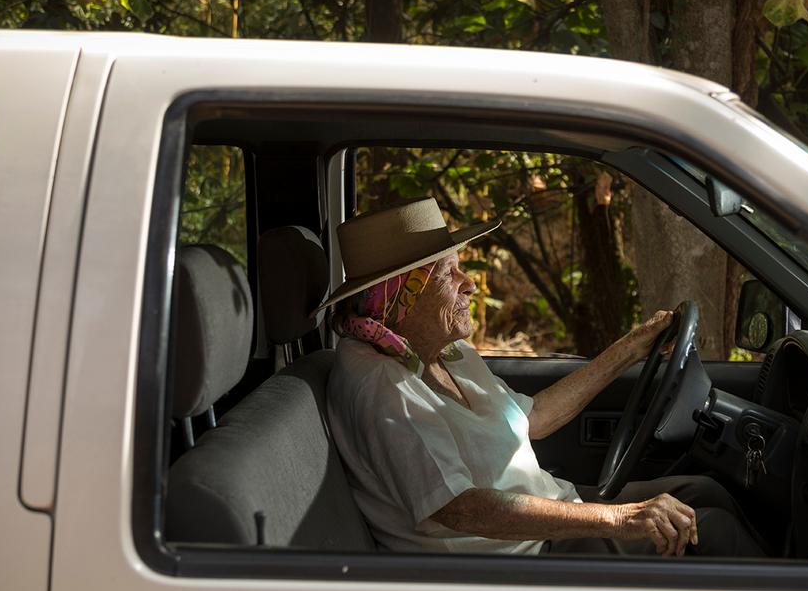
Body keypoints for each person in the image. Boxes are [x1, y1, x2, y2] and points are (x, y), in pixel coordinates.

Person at [321, 197, 763, 558]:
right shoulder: (379, 383)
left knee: (705, 491)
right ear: (401, 295)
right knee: (714, 532)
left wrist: (630, 347)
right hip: (522, 565)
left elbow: (530, 419)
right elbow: (461, 508)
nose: (468, 284)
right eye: (447, 274)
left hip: (551, 518)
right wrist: (621, 518)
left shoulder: (444, 352)